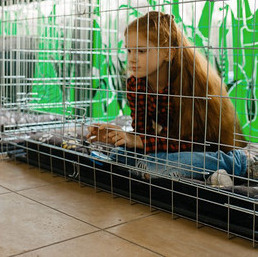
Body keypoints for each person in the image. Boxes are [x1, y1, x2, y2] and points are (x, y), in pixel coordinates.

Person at [87, 11, 257, 182]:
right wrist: (118, 137)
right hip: (170, 147)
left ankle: (240, 162)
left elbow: (187, 141)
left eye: (141, 51)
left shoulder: (188, 83)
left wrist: (139, 141)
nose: (132, 59)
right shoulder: (135, 84)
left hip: (202, 145)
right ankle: (160, 168)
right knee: (120, 154)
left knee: (159, 164)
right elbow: (143, 133)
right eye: (129, 50)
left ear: (168, 53)